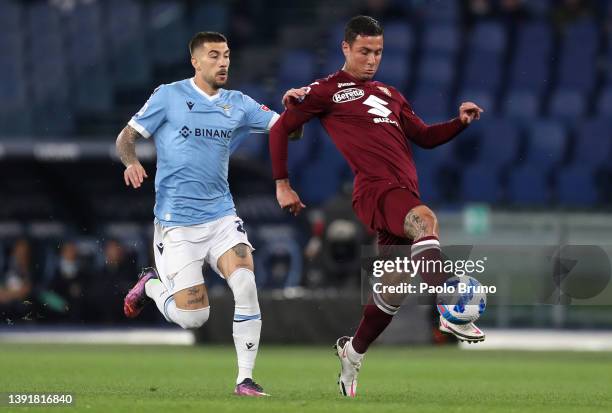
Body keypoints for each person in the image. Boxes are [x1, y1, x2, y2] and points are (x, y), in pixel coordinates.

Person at [269, 16, 484, 397]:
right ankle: (450, 308)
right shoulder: (325, 90)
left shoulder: (391, 94)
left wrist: (459, 122)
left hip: (399, 190)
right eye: (365, 51)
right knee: (425, 218)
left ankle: (352, 353)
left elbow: (424, 137)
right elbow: (281, 128)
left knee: (394, 287)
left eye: (379, 52)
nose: (372, 59)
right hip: (374, 189)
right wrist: (283, 184)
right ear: (346, 49)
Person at [116, 31, 301, 397]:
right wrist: (132, 161)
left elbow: (287, 133)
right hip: (177, 226)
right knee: (193, 317)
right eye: (214, 55)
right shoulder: (168, 95)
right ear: (195, 61)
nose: (223, 62)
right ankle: (151, 285)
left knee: (246, 284)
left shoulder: (238, 103)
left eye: (227, 55)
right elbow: (126, 137)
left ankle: (244, 379)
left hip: (220, 218)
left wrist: (298, 109)